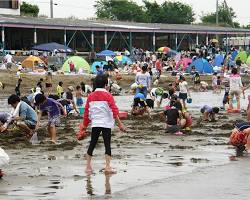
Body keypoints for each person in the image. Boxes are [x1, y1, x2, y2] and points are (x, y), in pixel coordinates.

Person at [78, 75, 125, 174]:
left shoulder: (90, 96)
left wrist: (84, 127)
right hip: (106, 124)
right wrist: (120, 125)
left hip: (95, 123)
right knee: (107, 144)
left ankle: (88, 167)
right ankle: (108, 167)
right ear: (106, 84)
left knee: (92, 144)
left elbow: (86, 112)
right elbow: (115, 111)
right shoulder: (108, 95)